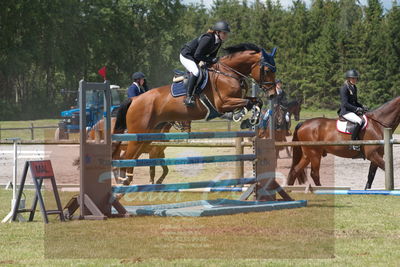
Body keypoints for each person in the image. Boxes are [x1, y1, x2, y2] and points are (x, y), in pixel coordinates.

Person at [180, 21, 231, 106]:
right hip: (186, 55)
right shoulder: (208, 38)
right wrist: (211, 60)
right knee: (196, 71)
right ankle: (188, 97)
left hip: (196, 58)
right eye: (224, 33)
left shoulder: (218, 42)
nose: (226, 35)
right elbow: (197, 55)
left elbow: (212, 56)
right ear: (217, 32)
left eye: (226, 33)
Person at [338, 69, 368, 151]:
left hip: (352, 110)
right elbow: (345, 103)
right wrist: (356, 108)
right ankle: (353, 142)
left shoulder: (354, 87)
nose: (355, 80)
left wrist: (362, 106)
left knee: (365, 118)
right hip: (346, 111)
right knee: (359, 121)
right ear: (348, 79)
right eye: (353, 78)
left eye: (356, 78)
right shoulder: (344, 88)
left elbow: (355, 102)